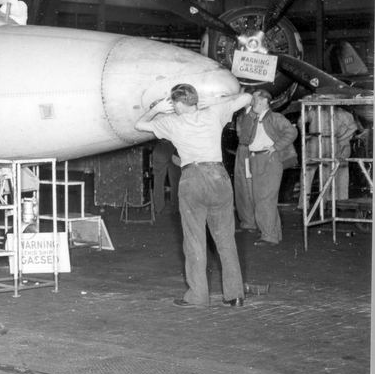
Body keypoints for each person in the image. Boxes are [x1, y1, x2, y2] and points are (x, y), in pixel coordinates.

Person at [135, 83, 251, 308]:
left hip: (193, 178)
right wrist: (216, 101)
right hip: (218, 176)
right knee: (226, 239)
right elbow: (246, 98)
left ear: (178, 103)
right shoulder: (215, 112)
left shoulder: (172, 122)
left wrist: (157, 108)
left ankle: (198, 296)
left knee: (195, 240)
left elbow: (139, 124)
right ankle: (235, 295)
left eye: (172, 102)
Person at [233, 89, 297, 245]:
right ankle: (273, 234)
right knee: (264, 198)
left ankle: (269, 236)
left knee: (264, 199)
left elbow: (292, 131)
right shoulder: (257, 119)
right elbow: (245, 136)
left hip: (268, 160)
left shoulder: (275, 117)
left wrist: (276, 146)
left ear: (262, 101)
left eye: (254, 100)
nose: (252, 102)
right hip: (257, 159)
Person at [298, 104, 358, 205]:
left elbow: (301, 120)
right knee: (328, 175)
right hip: (331, 142)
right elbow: (354, 128)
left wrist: (303, 133)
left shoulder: (315, 109)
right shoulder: (342, 112)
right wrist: (340, 138)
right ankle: (326, 204)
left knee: (307, 173)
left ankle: (303, 203)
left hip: (314, 140)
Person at [150, 138, 181, 216]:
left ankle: (158, 208)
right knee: (176, 181)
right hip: (174, 148)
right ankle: (176, 208)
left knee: (158, 181)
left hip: (160, 148)